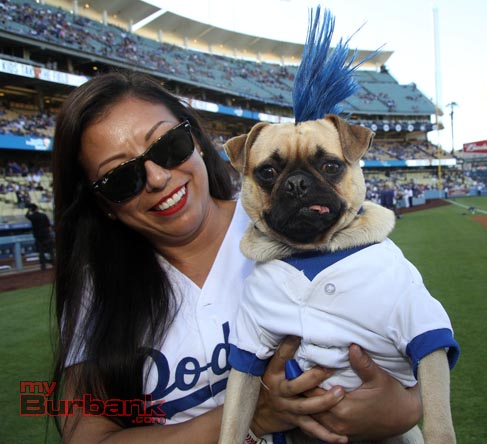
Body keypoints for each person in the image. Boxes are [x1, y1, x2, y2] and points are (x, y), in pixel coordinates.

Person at [51, 72, 422, 443]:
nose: (157, 177)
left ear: (196, 140)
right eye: (119, 177)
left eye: (168, 145)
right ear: (104, 205)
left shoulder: (301, 223)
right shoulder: (97, 288)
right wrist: (250, 415)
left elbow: (416, 346)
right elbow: (86, 436)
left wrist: (406, 408)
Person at [25, 203, 54, 270]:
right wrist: (50, 234)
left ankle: (43, 265)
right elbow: (49, 226)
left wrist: (29, 209)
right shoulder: (43, 215)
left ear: (32, 210)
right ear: (37, 209)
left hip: (38, 236)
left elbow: (26, 215)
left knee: (41, 251)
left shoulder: (33, 216)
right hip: (46, 235)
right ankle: (53, 263)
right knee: (50, 250)